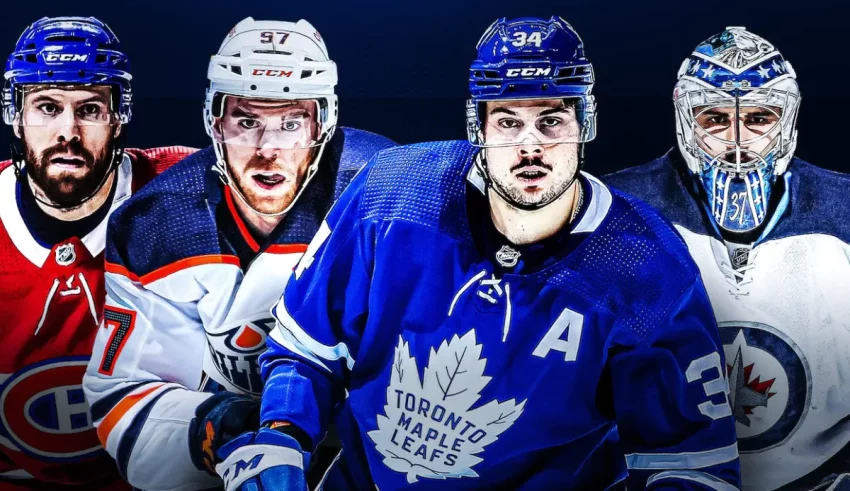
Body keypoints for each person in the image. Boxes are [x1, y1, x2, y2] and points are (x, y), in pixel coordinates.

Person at [220, 16, 741, 491]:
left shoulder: (647, 269)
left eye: (552, 120)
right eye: (508, 121)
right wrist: (282, 433)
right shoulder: (391, 195)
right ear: (479, 126)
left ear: (584, 123)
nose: (530, 145)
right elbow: (307, 347)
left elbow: (688, 465)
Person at [81, 17, 395, 491]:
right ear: (215, 122)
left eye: (291, 122)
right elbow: (125, 394)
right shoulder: (155, 223)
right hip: (229, 460)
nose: (268, 150)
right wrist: (217, 426)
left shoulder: (386, 195)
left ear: (322, 124)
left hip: (364, 447)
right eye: (248, 122)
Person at [604, 26, 850, 491]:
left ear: (788, 118)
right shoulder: (619, 212)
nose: (738, 143)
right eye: (715, 119)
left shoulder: (844, 214)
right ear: (685, 119)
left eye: (759, 117)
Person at [0, 16, 194, 490]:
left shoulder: (187, 191)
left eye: (89, 109)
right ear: (16, 114)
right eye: (47, 107)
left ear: (118, 116)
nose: (68, 131)